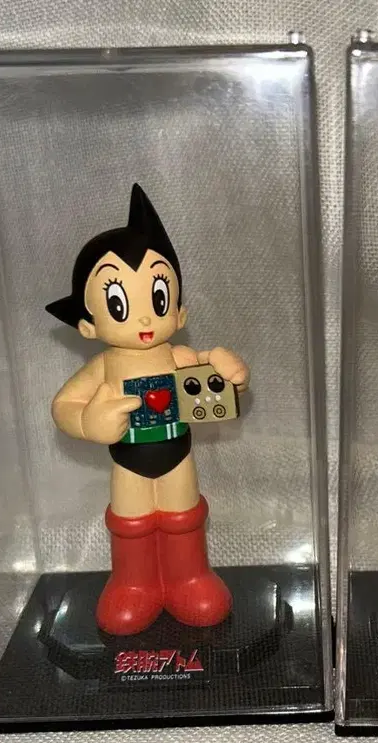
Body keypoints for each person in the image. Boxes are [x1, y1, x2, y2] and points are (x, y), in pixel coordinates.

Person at [48, 184, 248, 635]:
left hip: (177, 454)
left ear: (179, 313)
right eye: (119, 305)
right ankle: (134, 584)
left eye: (158, 299)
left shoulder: (179, 357)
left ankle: (188, 578)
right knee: (131, 520)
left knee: (183, 514)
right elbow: (64, 405)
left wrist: (230, 371)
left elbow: (215, 383)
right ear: (87, 325)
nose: (143, 319)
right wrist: (90, 421)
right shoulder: (104, 366)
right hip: (129, 461)